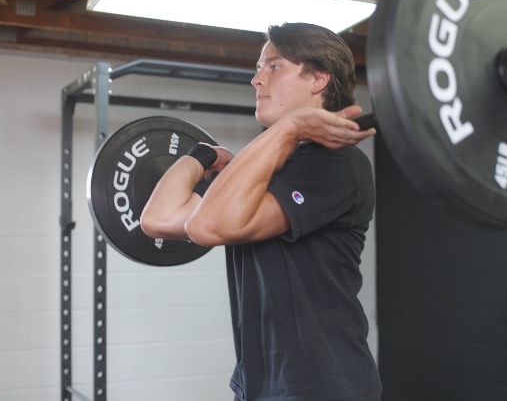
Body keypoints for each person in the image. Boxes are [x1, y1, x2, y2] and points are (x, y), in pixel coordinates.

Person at [140, 22, 381, 401]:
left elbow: (206, 227)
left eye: (274, 66)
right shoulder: (264, 166)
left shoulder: (335, 163)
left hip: (322, 388)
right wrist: (199, 155)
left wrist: (288, 130)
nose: (257, 79)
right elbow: (155, 218)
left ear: (318, 78)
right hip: (259, 385)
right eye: (257, 67)